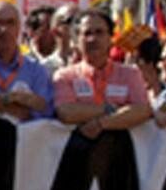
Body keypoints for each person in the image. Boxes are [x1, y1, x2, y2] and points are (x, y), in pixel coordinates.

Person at [51, 8, 154, 137]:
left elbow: (141, 110)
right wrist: (112, 109)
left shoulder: (130, 74)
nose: (92, 39)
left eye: (99, 32)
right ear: (76, 41)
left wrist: (102, 123)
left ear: (110, 38)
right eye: (87, 33)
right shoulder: (65, 76)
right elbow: (66, 113)